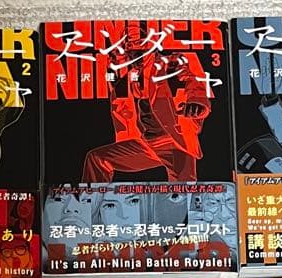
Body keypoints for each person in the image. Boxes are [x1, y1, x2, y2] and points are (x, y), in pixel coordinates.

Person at [81, 24, 211, 182]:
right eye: (129, 45)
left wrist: (196, 103)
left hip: (174, 142)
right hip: (146, 144)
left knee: (184, 189)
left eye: (140, 43)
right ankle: (89, 198)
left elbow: (192, 81)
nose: (135, 50)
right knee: (97, 158)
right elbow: (121, 108)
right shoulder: (129, 76)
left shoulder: (169, 64)